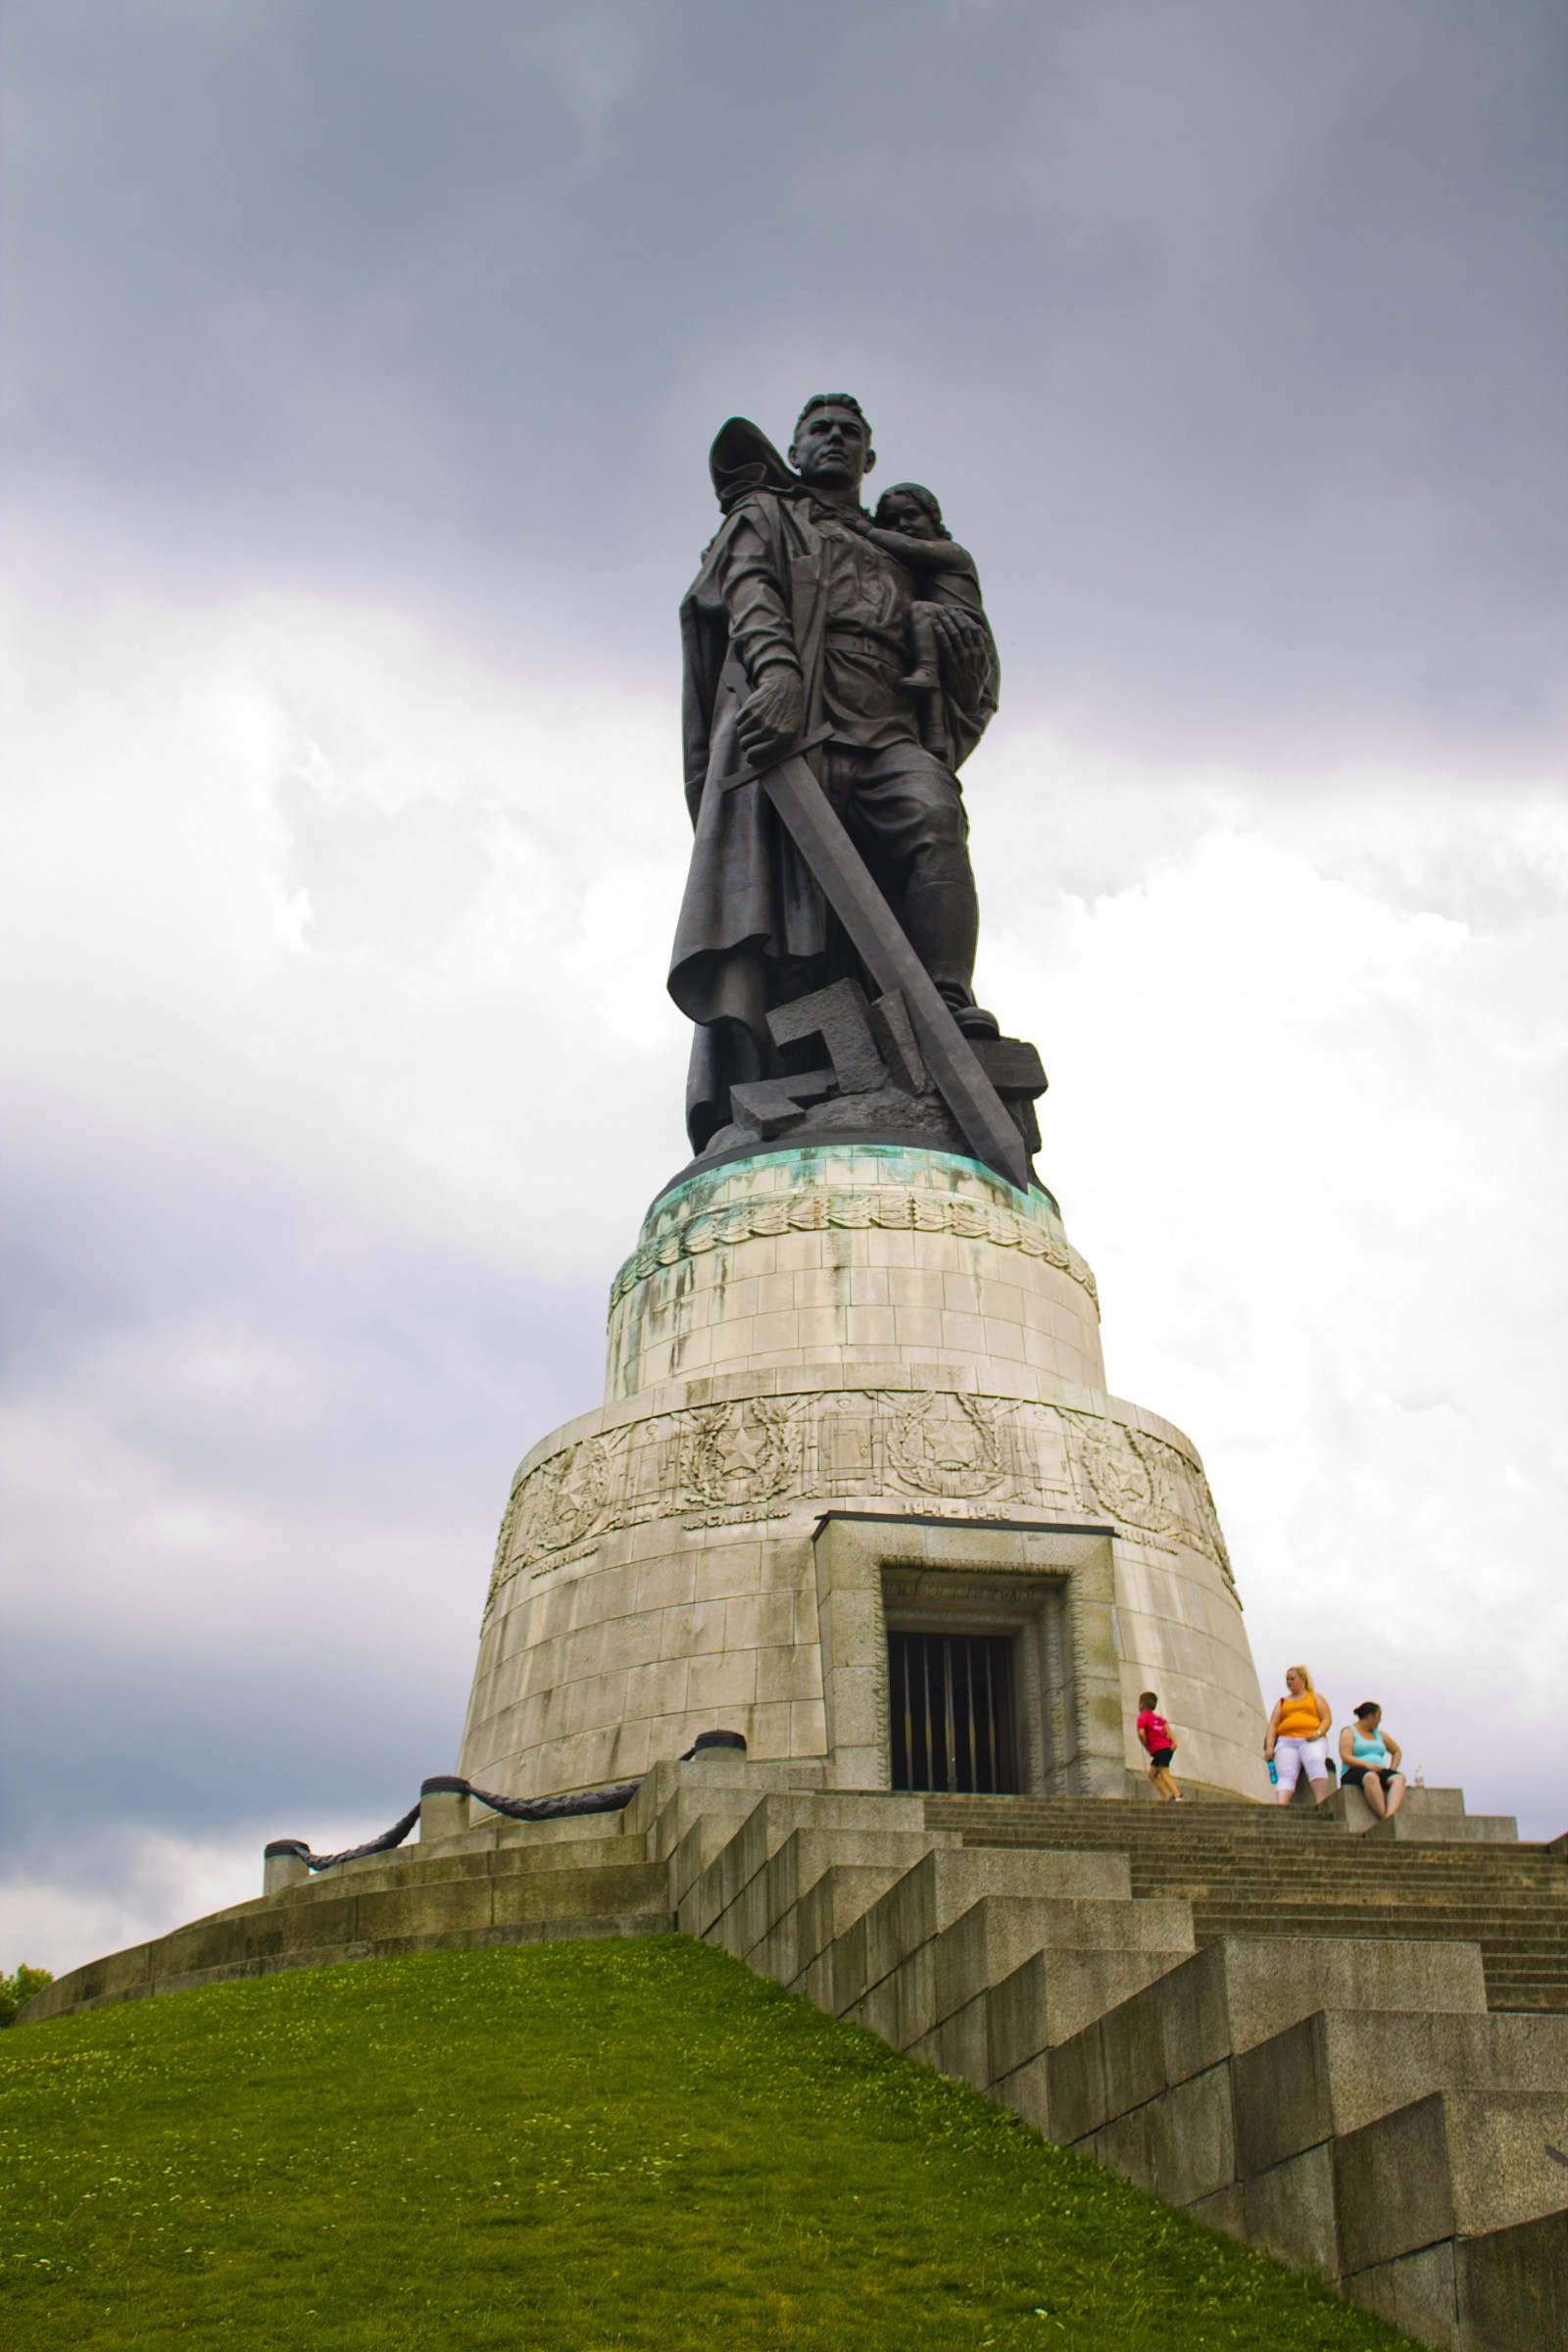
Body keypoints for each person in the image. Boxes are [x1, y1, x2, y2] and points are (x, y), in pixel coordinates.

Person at [669, 395, 1002, 1155]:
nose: (833, 441)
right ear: (796, 445)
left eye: (850, 434)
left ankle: (943, 998)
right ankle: (803, 1073)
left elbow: (970, 665)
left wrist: (959, 641)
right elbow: (747, 592)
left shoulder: (901, 547)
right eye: (818, 430)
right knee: (796, 915)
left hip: (885, 719)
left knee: (933, 815)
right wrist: (778, 675)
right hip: (799, 724)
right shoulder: (770, 514)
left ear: (869, 459)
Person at [850, 483, 984, 761]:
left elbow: (910, 548)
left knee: (919, 613)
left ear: (933, 519)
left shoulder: (953, 552)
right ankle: (936, 741)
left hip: (960, 628)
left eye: (911, 516)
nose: (903, 525)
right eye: (893, 521)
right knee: (928, 689)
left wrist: (870, 531)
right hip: (937, 633)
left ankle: (927, 667)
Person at [1263, 1664, 1333, 1806]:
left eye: (1292, 1679)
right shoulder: (1282, 1702)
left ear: (1303, 1680)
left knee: (1314, 1759)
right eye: (1287, 1679)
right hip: (1286, 1741)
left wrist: (1318, 1733)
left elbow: (1327, 1718)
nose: (1289, 1682)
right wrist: (1269, 1747)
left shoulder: (1314, 1697)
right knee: (1285, 1772)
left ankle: (1320, 1799)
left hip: (1310, 1739)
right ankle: (1282, 1803)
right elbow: (1273, 1724)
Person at [1339, 1701, 1406, 1821]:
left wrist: (1392, 1769)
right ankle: (1383, 1815)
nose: (1379, 1721)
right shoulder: (1349, 1732)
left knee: (1399, 1778)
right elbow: (1345, 1756)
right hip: (1355, 1770)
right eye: (1378, 1717)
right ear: (1370, 1716)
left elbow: (1396, 1751)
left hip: (1379, 1769)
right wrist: (1367, 1765)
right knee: (1371, 1777)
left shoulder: (1380, 1735)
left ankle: (1390, 1814)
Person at [1135, 1690, 1182, 1801]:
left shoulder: (1142, 1718)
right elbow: (1168, 1729)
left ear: (1142, 1705)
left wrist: (1145, 1743)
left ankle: (1177, 1795)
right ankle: (1166, 1796)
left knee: (1164, 1772)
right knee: (1152, 1774)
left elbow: (1141, 1733)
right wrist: (1174, 1742)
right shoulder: (1159, 1718)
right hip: (1166, 1748)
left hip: (1159, 1749)